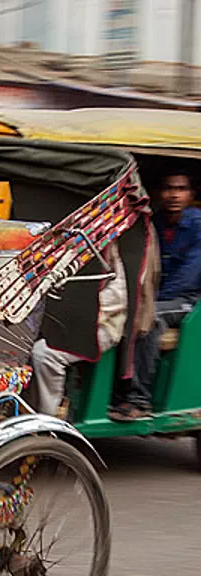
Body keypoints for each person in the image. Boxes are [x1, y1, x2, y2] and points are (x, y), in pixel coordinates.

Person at [111, 171, 201, 420]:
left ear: (191, 195)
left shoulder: (197, 225)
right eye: (168, 188)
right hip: (156, 296)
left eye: (181, 189)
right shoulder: (156, 223)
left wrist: (146, 303)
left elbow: (188, 277)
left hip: (189, 302)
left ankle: (139, 399)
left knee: (149, 318)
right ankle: (117, 391)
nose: (174, 195)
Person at [32, 245, 127, 416]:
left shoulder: (118, 253)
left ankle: (46, 418)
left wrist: (74, 311)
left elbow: (119, 297)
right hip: (62, 320)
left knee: (44, 355)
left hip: (102, 325)